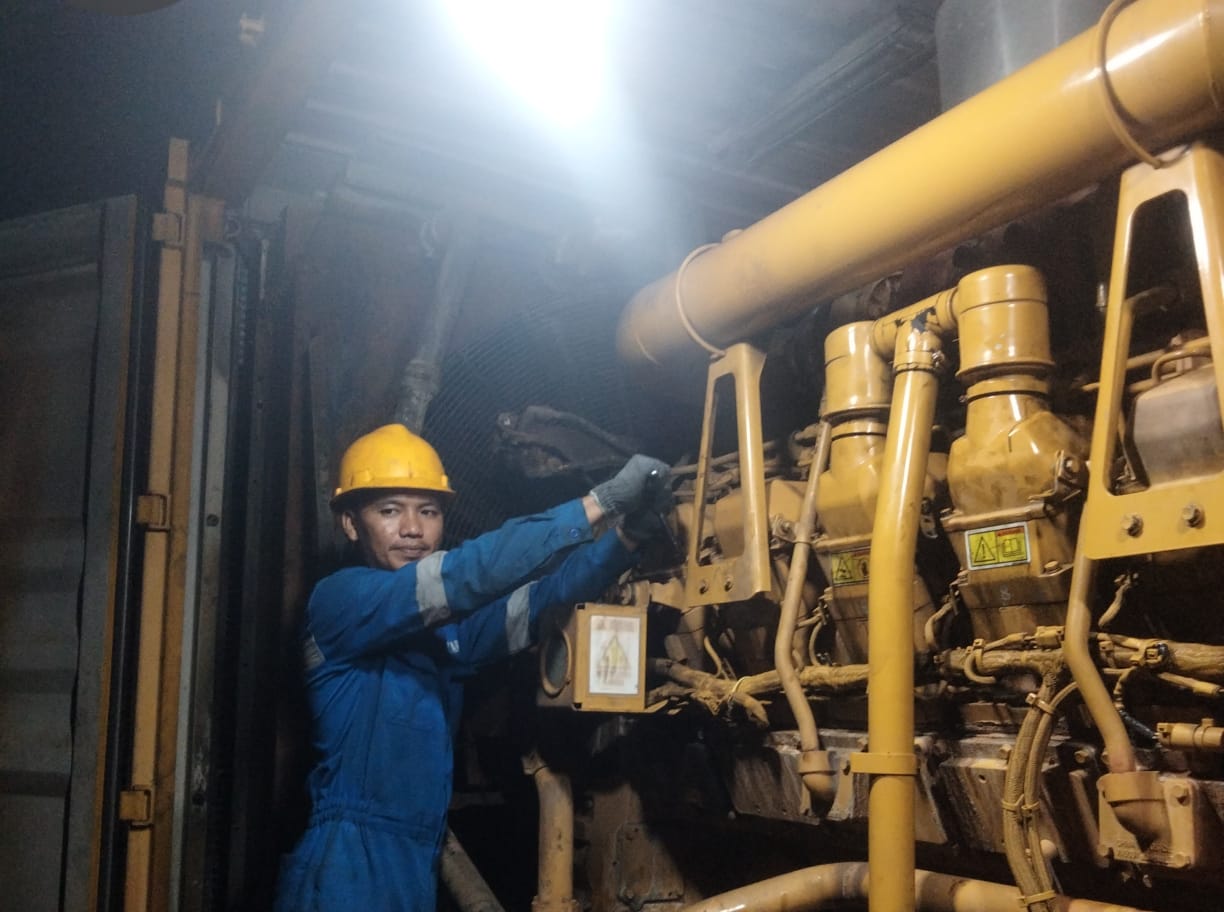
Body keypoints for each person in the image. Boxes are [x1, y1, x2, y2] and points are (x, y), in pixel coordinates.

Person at [273, 423, 671, 912]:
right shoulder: (339, 602)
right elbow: (465, 574)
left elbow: (542, 602)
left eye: (429, 511)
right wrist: (600, 503)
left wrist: (626, 539)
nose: (413, 529)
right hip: (346, 863)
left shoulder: (446, 633)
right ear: (351, 524)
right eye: (389, 510)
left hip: (416, 859)